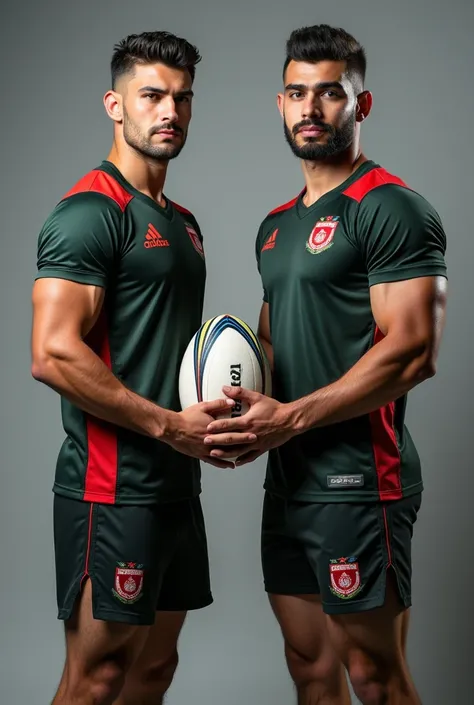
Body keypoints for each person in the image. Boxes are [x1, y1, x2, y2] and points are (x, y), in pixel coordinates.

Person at [204, 24, 448, 705]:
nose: (311, 108)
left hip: (361, 476)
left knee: (374, 674)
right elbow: (273, 339)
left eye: (330, 93)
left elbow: (412, 350)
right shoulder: (275, 225)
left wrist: (294, 417)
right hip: (290, 478)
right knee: (309, 665)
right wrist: (248, 417)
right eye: (296, 93)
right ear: (279, 104)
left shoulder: (390, 207)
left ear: (360, 106)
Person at [31, 30, 254, 705]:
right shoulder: (89, 213)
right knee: (96, 678)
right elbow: (53, 352)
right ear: (114, 104)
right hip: (111, 486)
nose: (170, 112)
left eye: (182, 99)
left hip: (175, 482)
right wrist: (167, 427)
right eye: (152, 95)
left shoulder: (182, 223)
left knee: (154, 668)